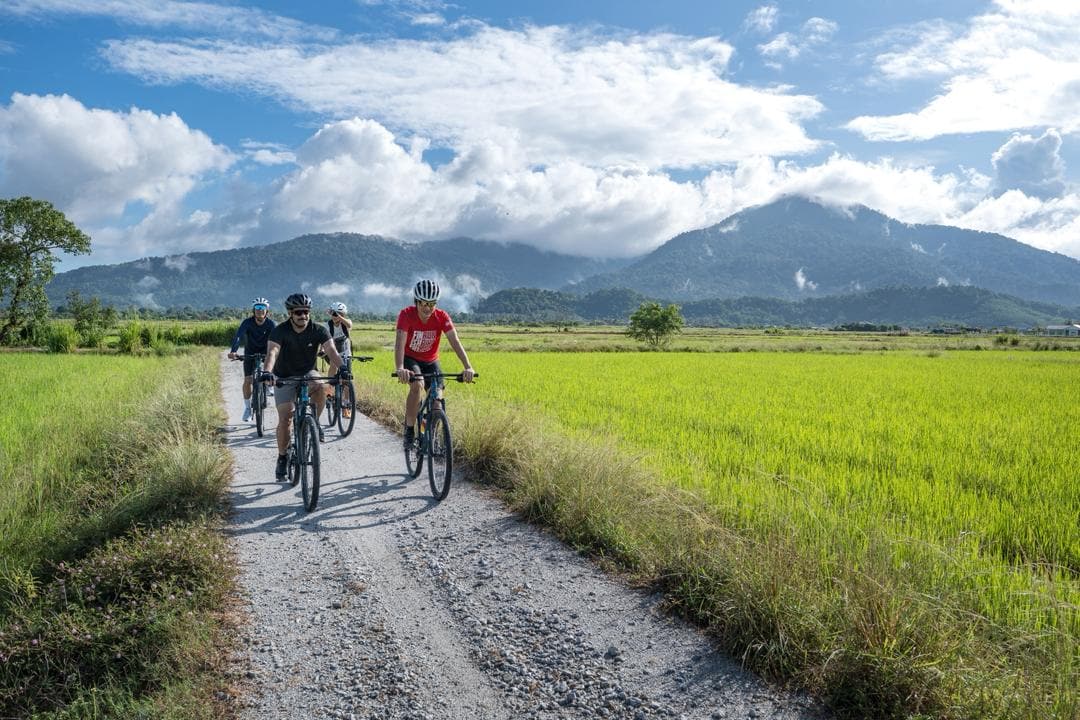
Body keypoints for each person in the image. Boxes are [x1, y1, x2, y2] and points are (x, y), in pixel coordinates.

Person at [259, 293, 349, 480]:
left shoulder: (318, 330)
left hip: (308, 373)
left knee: (322, 385)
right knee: (286, 419)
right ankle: (282, 457)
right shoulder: (280, 331)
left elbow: (331, 350)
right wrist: (267, 372)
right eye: (298, 312)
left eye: (306, 312)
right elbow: (272, 353)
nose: (303, 315)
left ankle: (314, 422)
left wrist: (343, 368)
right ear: (290, 313)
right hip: (284, 376)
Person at [394, 280, 475, 448]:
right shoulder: (406, 315)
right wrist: (400, 367)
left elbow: (455, 341)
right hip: (411, 359)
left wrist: (468, 366)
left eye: (431, 304)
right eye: (423, 303)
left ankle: (429, 433)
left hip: (431, 361)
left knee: (437, 400)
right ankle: (409, 430)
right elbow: (399, 343)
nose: (427, 308)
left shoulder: (442, 317)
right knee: (417, 384)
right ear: (416, 301)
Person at [228, 297, 276, 422]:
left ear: (267, 311)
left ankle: (268, 385)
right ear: (253, 310)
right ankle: (248, 408)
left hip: (266, 352)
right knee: (248, 380)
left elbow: (277, 339)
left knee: (270, 367)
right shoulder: (247, 322)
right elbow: (238, 336)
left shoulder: (271, 324)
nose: (260, 310)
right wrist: (233, 351)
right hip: (250, 352)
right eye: (257, 308)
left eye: (262, 308)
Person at [326, 302, 353, 418]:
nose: (335, 316)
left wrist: (340, 317)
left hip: (346, 352)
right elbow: (324, 339)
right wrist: (322, 350)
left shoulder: (346, 323)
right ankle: (329, 390)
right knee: (333, 365)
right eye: (333, 313)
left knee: (347, 380)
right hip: (333, 352)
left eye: (339, 313)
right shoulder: (328, 325)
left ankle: (346, 405)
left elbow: (349, 325)